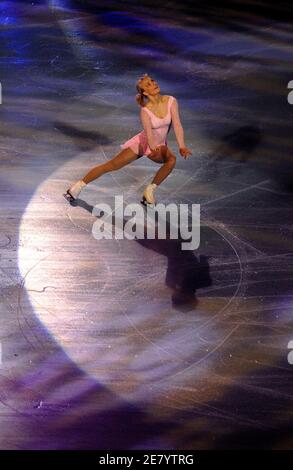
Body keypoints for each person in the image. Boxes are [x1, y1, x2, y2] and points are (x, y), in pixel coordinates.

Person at [64, 73, 192, 205]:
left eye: (152, 81)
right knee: (111, 165)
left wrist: (181, 146)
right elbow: (148, 134)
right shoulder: (145, 111)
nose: (154, 84)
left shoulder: (171, 101)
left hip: (158, 144)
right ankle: (77, 187)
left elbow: (177, 124)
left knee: (171, 160)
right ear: (145, 93)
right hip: (144, 143)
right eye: (148, 84)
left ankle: (149, 191)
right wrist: (153, 148)